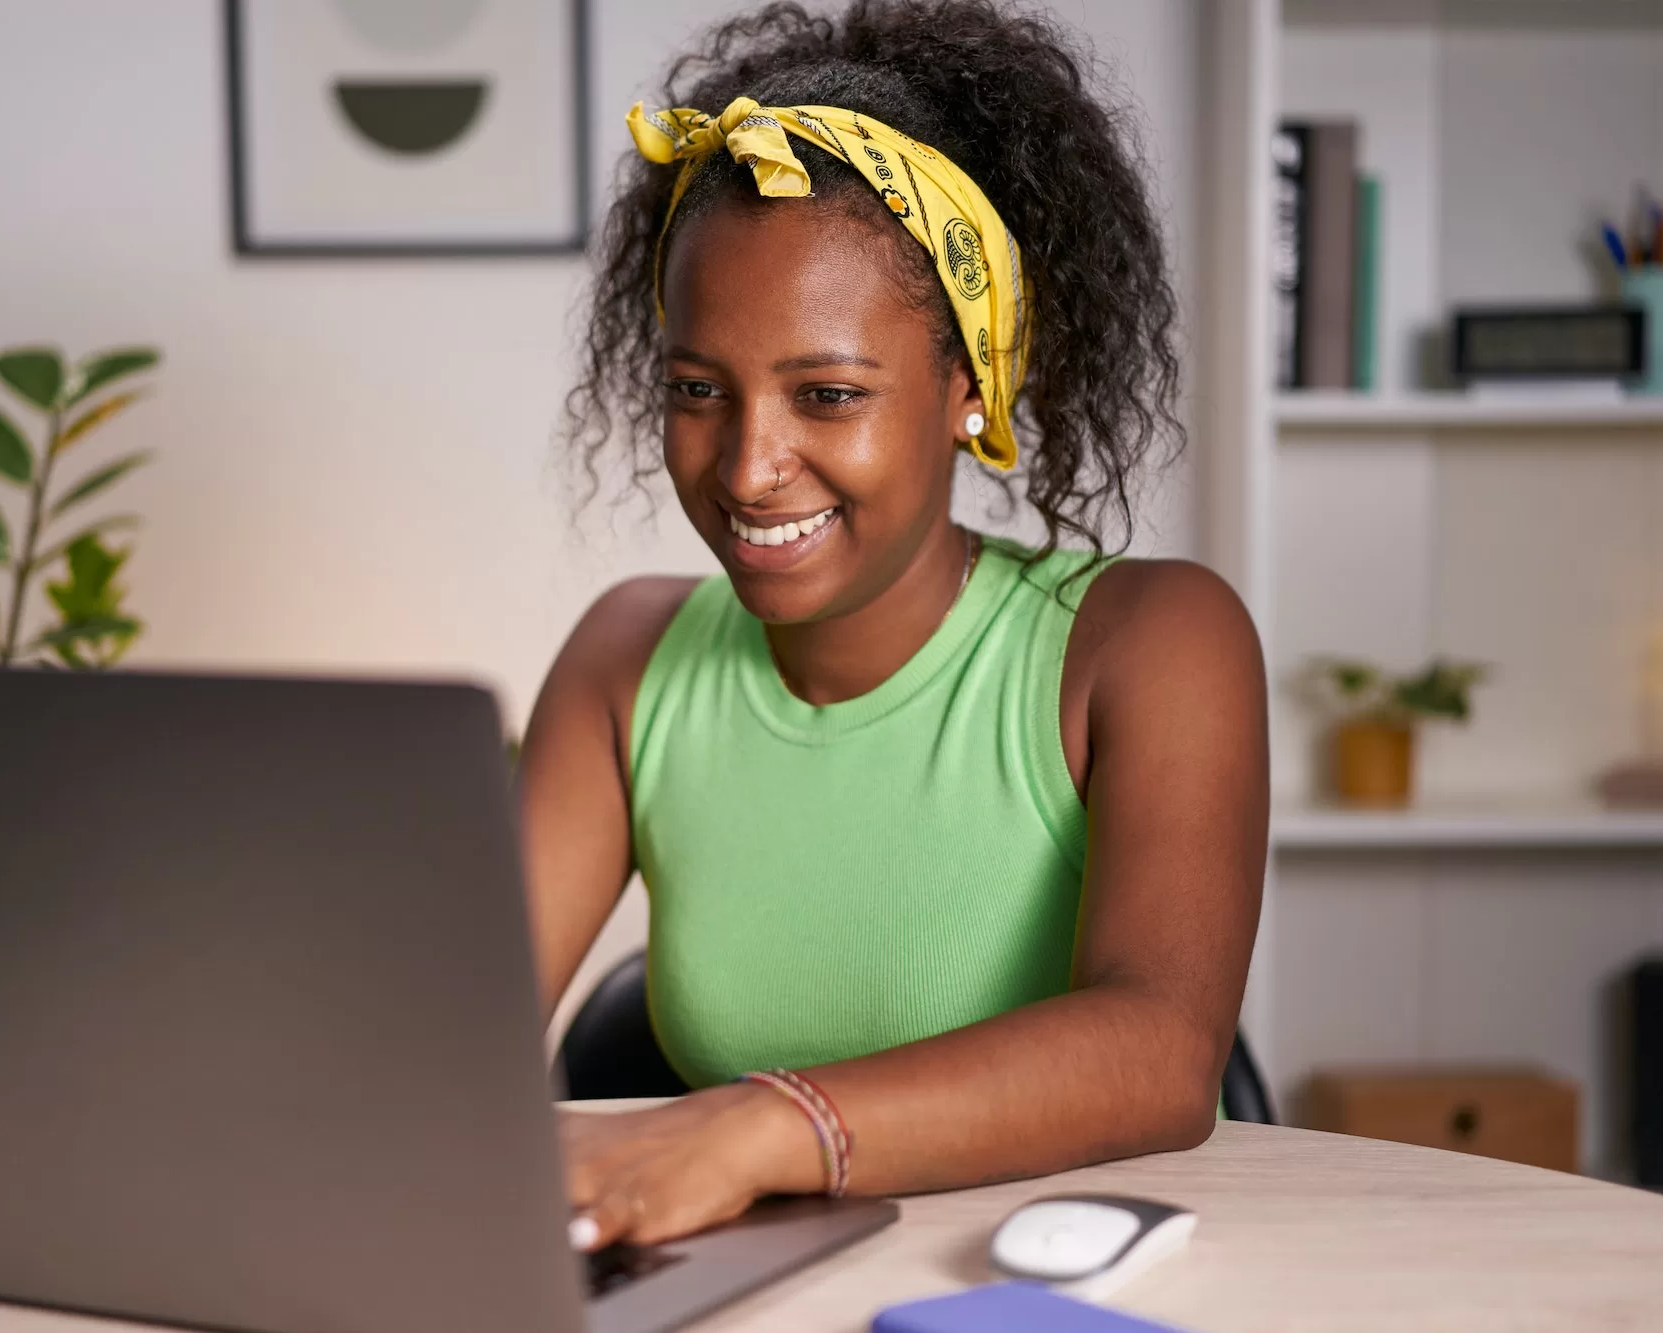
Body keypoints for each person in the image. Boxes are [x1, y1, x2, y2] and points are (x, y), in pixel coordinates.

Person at [523, 0, 1266, 1252]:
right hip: (740, 1289)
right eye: (698, 391)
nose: (750, 467)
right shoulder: (625, 663)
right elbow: (439, 1040)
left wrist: (756, 1128)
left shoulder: (1149, 643)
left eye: (827, 395)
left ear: (972, 387)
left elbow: (1158, 1051)